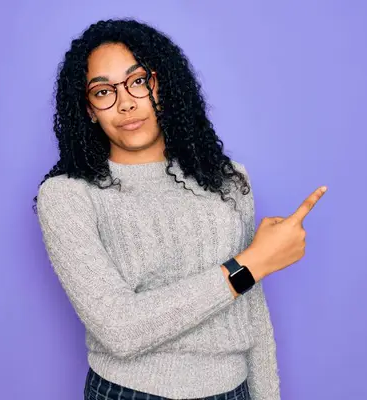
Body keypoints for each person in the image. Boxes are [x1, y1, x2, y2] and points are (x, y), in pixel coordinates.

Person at [35, 18, 327, 400]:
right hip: (130, 393)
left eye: (139, 81)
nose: (125, 103)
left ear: (163, 85)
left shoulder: (227, 178)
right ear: (89, 109)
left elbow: (251, 309)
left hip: (232, 390)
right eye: (103, 91)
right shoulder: (67, 196)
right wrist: (251, 265)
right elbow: (121, 330)